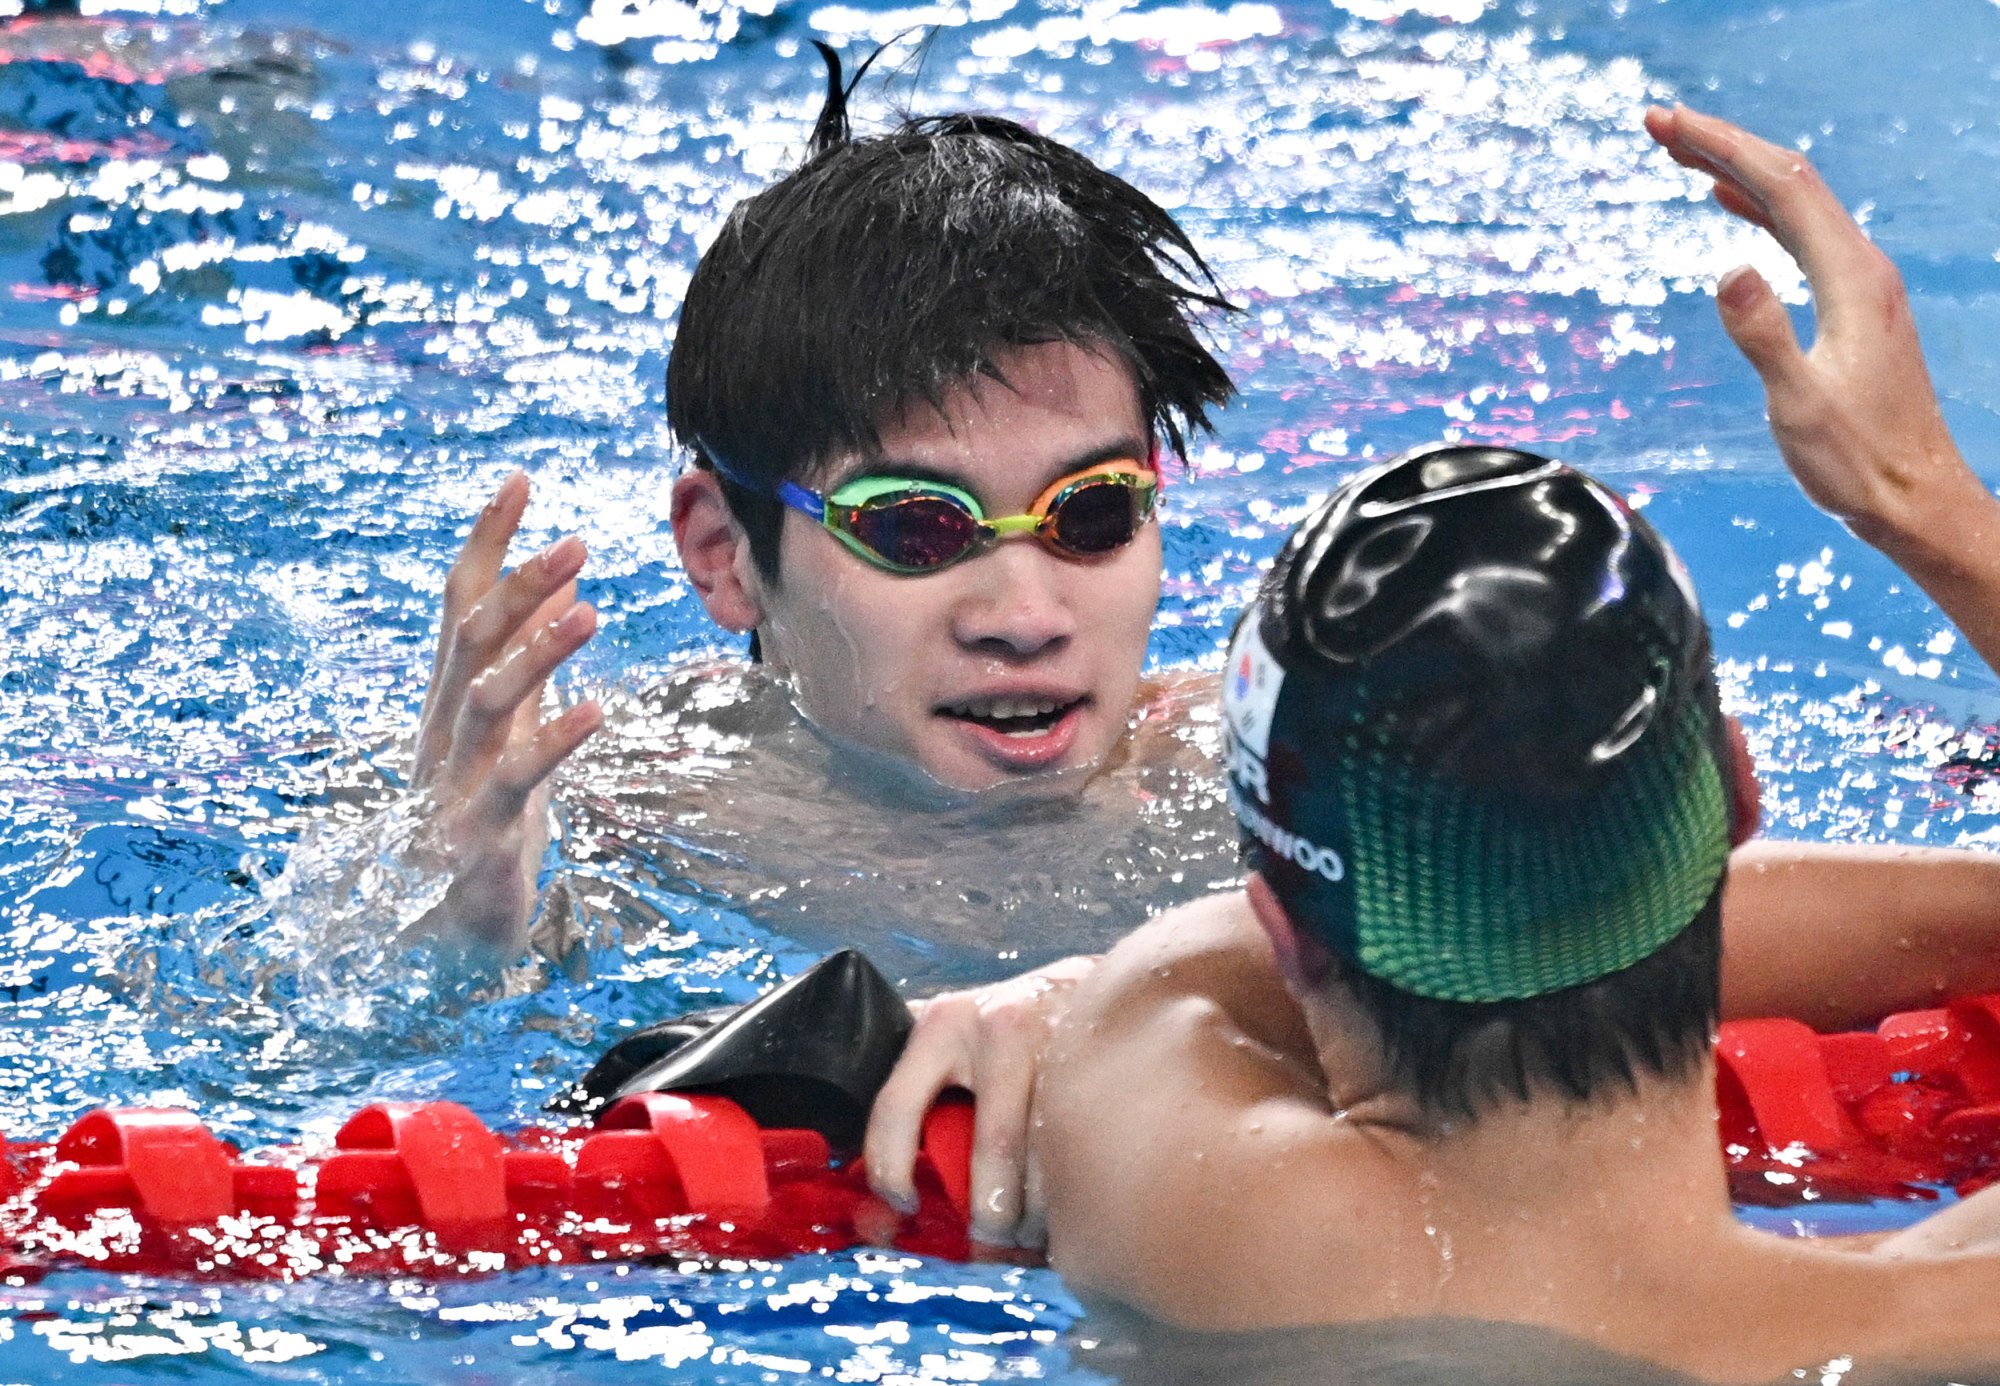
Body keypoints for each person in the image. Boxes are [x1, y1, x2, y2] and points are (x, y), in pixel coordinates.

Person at [373, 88, 2000, 1254]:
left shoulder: (1295, 783)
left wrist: (1931, 519)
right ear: (726, 553)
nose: (1026, 608)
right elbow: (311, 1102)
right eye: (921, 527)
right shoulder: (609, 817)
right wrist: (464, 945)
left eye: (1092, 513)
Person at [1027, 109, 2000, 1380]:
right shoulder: (1928, 1327)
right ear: (1744, 797)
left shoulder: (1178, 1184)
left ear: (1280, 926)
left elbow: (1184, 974)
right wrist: (1921, 504)